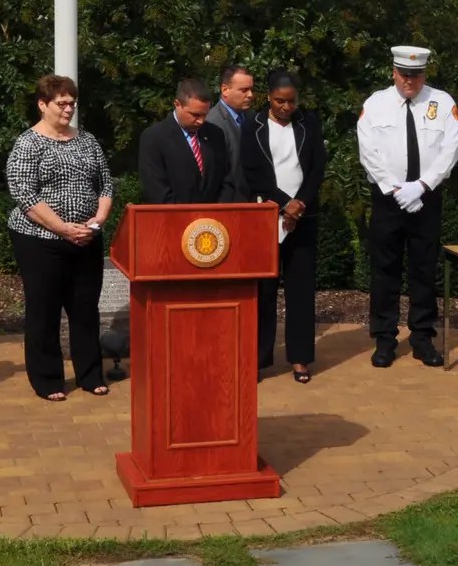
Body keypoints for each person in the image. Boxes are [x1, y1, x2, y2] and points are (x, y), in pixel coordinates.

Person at [4, 75, 114, 402]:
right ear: (42, 104)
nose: (69, 109)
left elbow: (105, 184)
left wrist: (98, 219)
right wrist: (63, 228)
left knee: (84, 308)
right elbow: (24, 193)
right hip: (40, 240)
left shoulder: (87, 140)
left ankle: (90, 373)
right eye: (61, 103)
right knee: (45, 309)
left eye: (72, 103)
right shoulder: (28, 143)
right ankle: (47, 378)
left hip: (86, 239)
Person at [357, 45, 458, 368]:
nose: (409, 82)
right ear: (394, 72)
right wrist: (394, 187)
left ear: (424, 74)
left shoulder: (442, 103)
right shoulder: (376, 104)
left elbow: (450, 148)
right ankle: (385, 339)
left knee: (423, 268)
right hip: (388, 200)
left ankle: (422, 338)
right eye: (404, 75)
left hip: (426, 199)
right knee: (384, 270)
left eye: (415, 76)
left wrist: (422, 185)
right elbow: (368, 150)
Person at [244, 69, 327, 382]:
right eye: (279, 101)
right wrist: (283, 204)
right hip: (266, 215)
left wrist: (299, 204)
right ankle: (258, 358)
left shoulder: (309, 122)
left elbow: (318, 166)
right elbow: (252, 172)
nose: (285, 107)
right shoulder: (252, 125)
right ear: (268, 97)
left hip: (302, 216)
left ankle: (300, 358)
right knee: (263, 291)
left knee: (301, 290)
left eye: (291, 101)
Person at [138, 78, 230, 205]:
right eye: (195, 115)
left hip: (212, 221)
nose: (201, 121)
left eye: (205, 114)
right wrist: (187, 218)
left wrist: (217, 211)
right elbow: (157, 189)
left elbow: (226, 179)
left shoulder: (215, 134)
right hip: (173, 219)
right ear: (177, 104)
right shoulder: (154, 138)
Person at [205, 63, 256, 201]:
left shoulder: (252, 118)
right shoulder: (212, 123)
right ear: (225, 90)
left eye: (251, 89)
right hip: (228, 206)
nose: (250, 95)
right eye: (244, 90)